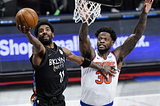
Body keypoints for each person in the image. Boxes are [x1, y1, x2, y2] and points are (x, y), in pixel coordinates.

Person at [16, 21, 116, 106]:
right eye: (41, 31)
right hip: (43, 101)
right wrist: (28, 34)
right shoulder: (39, 52)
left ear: (52, 34)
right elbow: (37, 45)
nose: (44, 32)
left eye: (47, 29)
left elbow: (81, 61)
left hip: (59, 99)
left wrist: (101, 67)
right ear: (37, 37)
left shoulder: (62, 51)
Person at [78, 0, 153, 106]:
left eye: (105, 39)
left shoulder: (116, 56)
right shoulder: (90, 55)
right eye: (100, 39)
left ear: (112, 42)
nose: (102, 41)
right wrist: (85, 21)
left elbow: (136, 36)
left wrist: (144, 14)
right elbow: (82, 39)